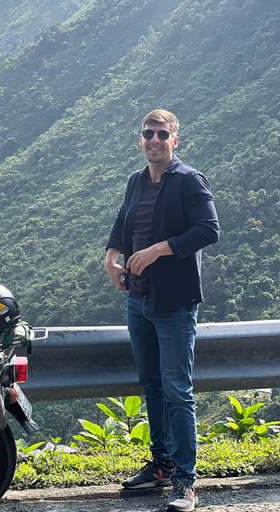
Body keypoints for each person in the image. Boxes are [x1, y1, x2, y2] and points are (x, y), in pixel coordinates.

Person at [104, 109, 219, 512]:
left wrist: (157, 249)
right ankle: (162, 464)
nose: (154, 140)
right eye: (148, 134)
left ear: (175, 140)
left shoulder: (188, 180)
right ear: (140, 139)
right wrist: (112, 256)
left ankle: (185, 482)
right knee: (152, 384)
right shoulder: (136, 180)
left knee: (177, 391)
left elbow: (209, 229)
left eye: (161, 134)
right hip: (138, 299)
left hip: (174, 303)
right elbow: (123, 221)